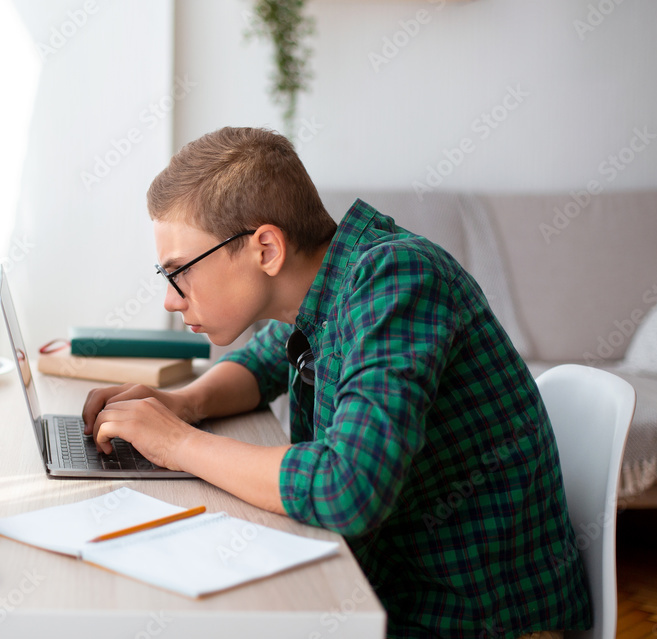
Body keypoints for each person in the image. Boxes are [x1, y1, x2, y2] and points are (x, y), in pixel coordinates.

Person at [82, 127, 592, 639]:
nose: (171, 299)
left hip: (472, 619)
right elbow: (262, 365)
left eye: (180, 272)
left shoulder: (398, 276)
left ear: (265, 249)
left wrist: (176, 443)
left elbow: (348, 485)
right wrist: (181, 403)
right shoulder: (331, 285)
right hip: (398, 591)